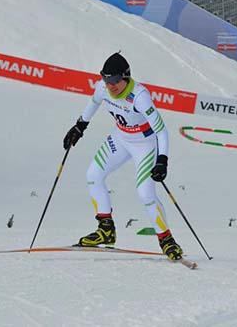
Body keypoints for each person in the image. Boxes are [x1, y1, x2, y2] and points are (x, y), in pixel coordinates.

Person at [63, 52, 183, 261]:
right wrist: (80, 125)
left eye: (116, 81)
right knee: (93, 175)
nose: (111, 86)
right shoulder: (102, 88)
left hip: (145, 145)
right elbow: (93, 103)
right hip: (121, 138)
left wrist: (162, 160)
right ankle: (106, 230)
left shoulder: (140, 96)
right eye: (107, 80)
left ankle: (166, 240)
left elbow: (162, 131)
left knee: (145, 193)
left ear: (126, 78)